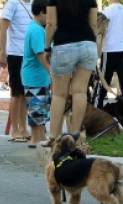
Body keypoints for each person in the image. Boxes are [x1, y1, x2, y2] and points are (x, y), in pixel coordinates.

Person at [45, 0, 98, 140]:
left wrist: (47, 47)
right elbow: (93, 24)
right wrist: (95, 46)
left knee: (58, 94)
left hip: (64, 45)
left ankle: (53, 136)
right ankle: (75, 133)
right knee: (80, 91)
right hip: (88, 44)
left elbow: (51, 24)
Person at [0, 0, 33, 142]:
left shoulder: (33, 3)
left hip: (30, 54)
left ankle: (23, 127)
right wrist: (2, 52)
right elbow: (3, 28)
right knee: (16, 93)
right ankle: (14, 129)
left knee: (26, 93)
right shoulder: (13, 3)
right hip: (15, 53)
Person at [22, 0, 50, 149]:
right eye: (48, 13)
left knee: (40, 107)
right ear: (41, 12)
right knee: (37, 107)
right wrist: (50, 70)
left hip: (36, 76)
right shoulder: (37, 30)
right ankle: (36, 138)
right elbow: (40, 54)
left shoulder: (35, 28)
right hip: (35, 76)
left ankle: (40, 136)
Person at [98, 0, 123, 106]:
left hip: (109, 49)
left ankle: (99, 104)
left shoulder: (106, 11)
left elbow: (101, 30)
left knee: (104, 78)